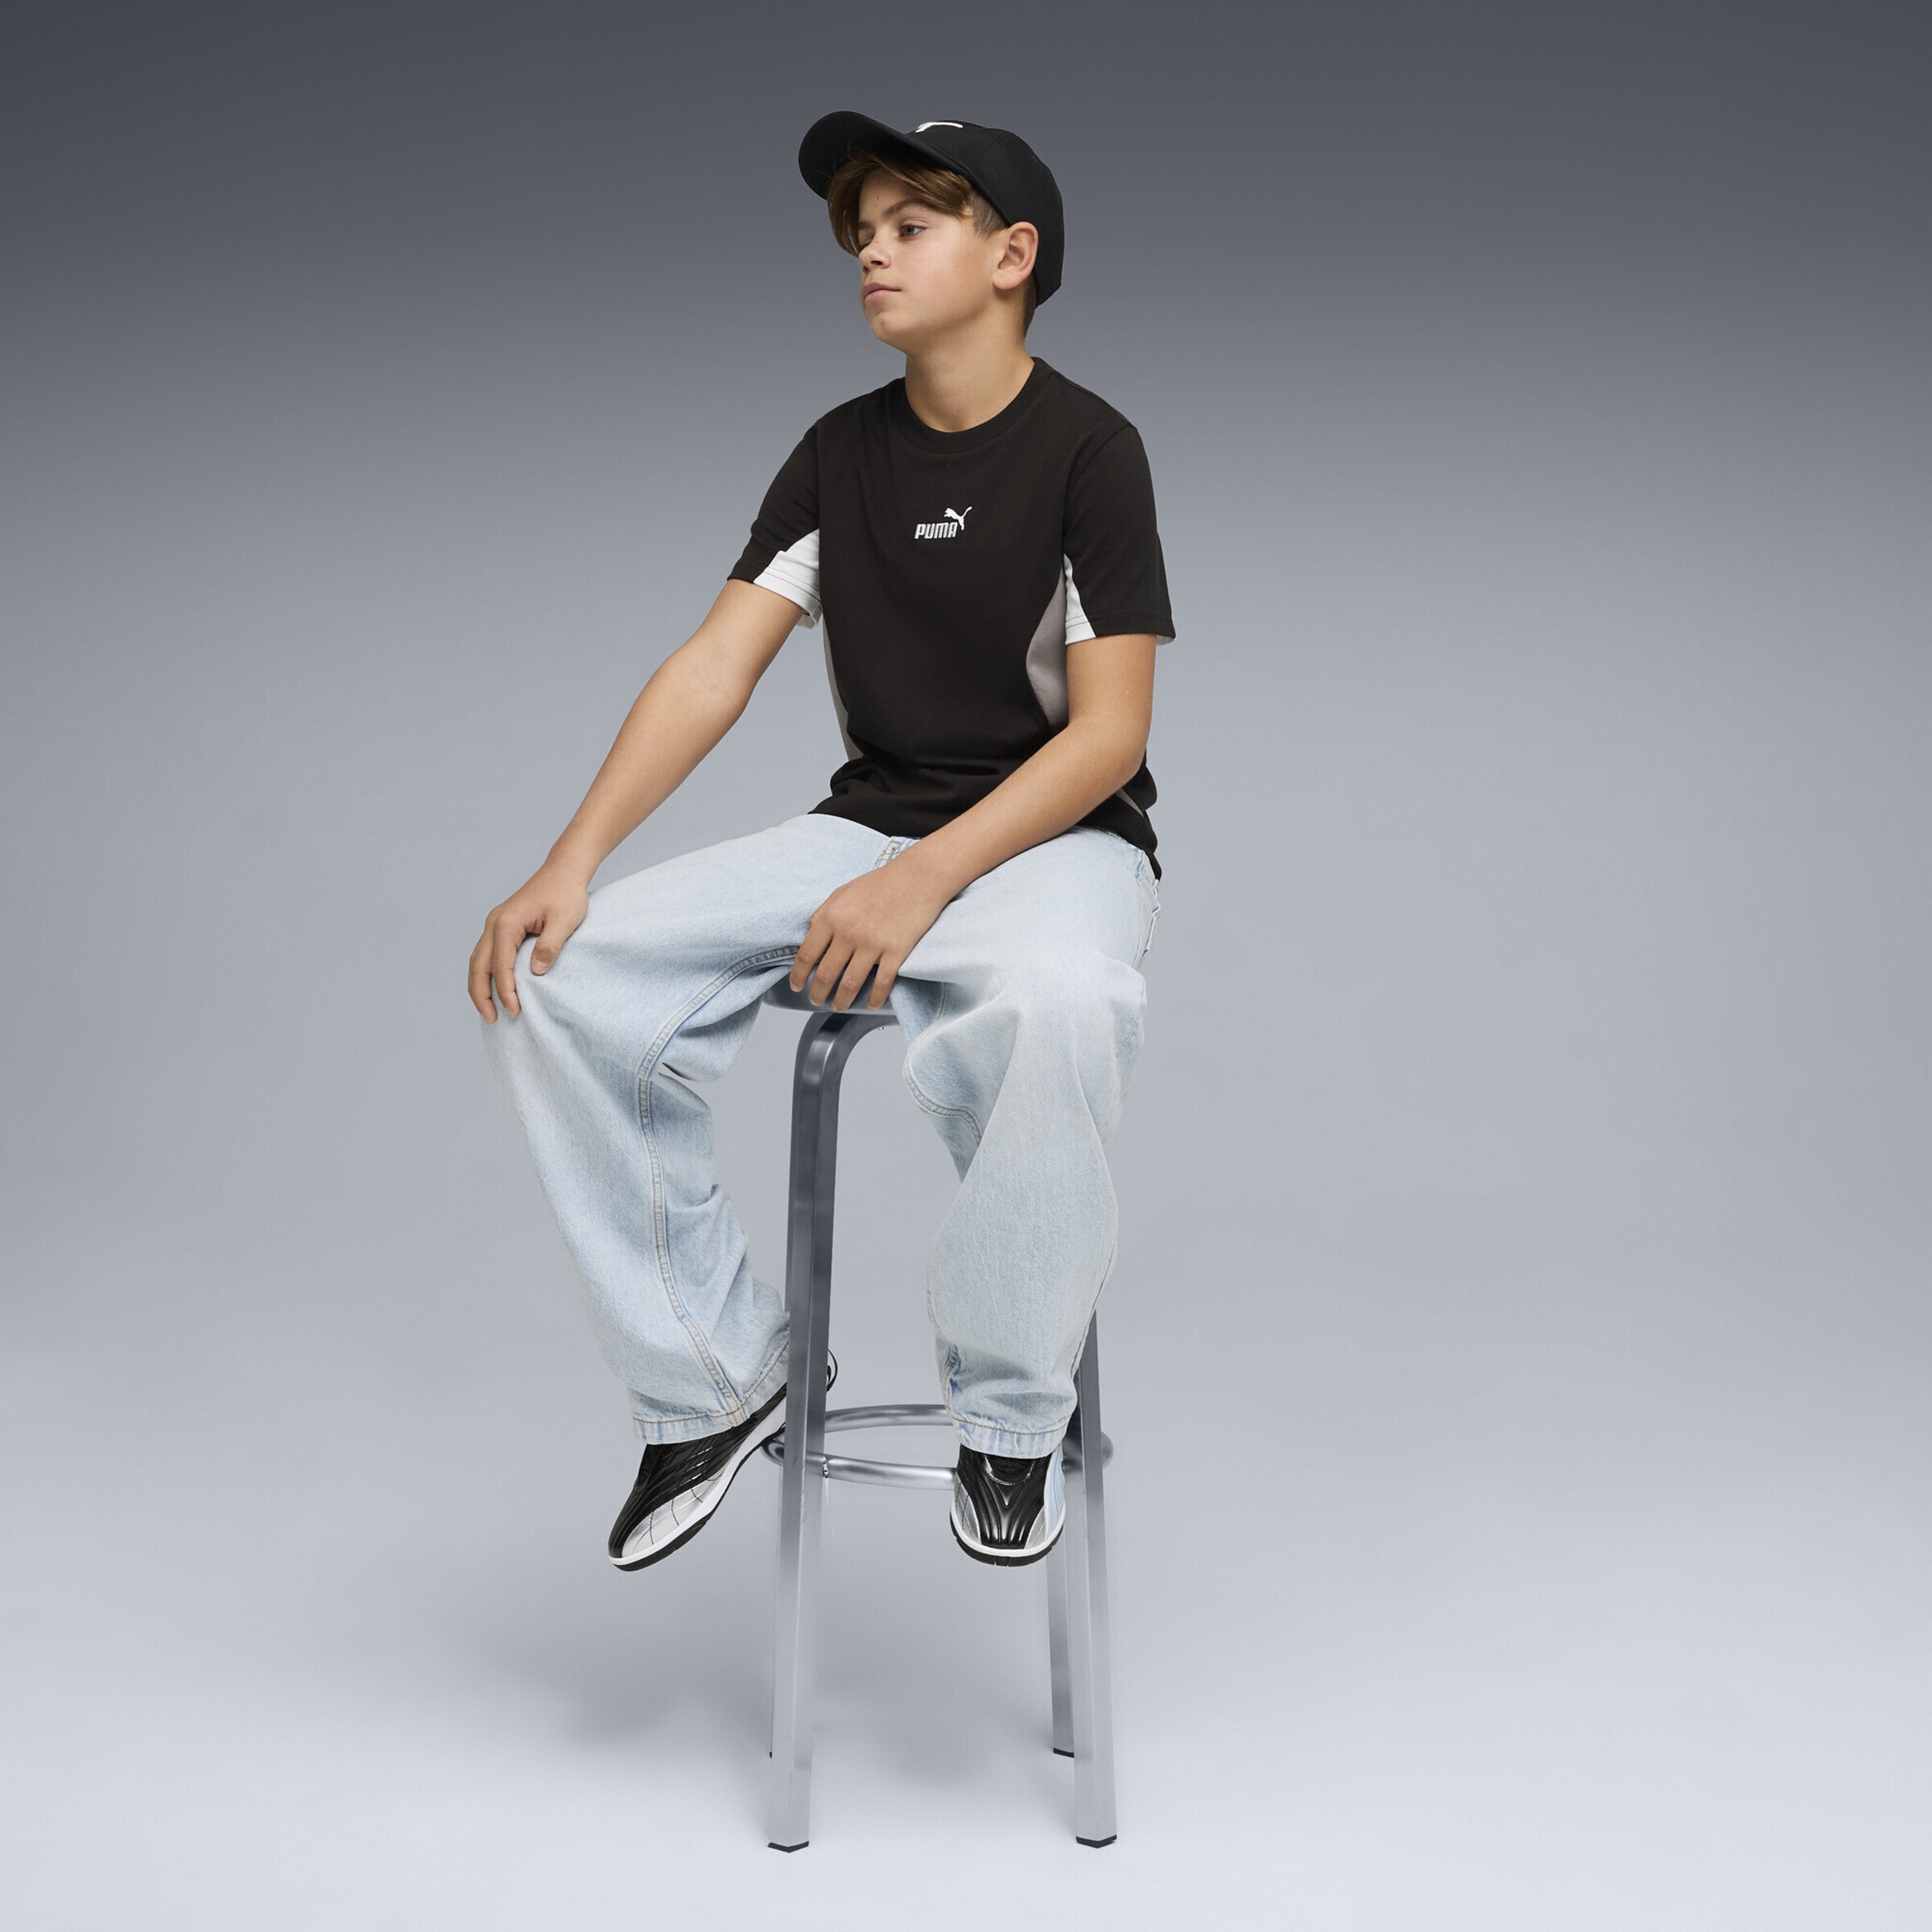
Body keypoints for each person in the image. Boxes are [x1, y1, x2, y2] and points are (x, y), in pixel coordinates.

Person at [469, 112, 1174, 1578]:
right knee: (557, 974)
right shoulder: (837, 451)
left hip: (1056, 837)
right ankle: (718, 1378)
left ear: (1011, 256)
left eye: (910, 225)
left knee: (1061, 1001)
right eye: (861, 230)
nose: (871, 251)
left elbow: (1107, 739)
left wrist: (922, 881)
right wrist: (569, 859)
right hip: (867, 825)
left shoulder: (1092, 452)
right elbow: (713, 668)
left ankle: (1009, 1411)